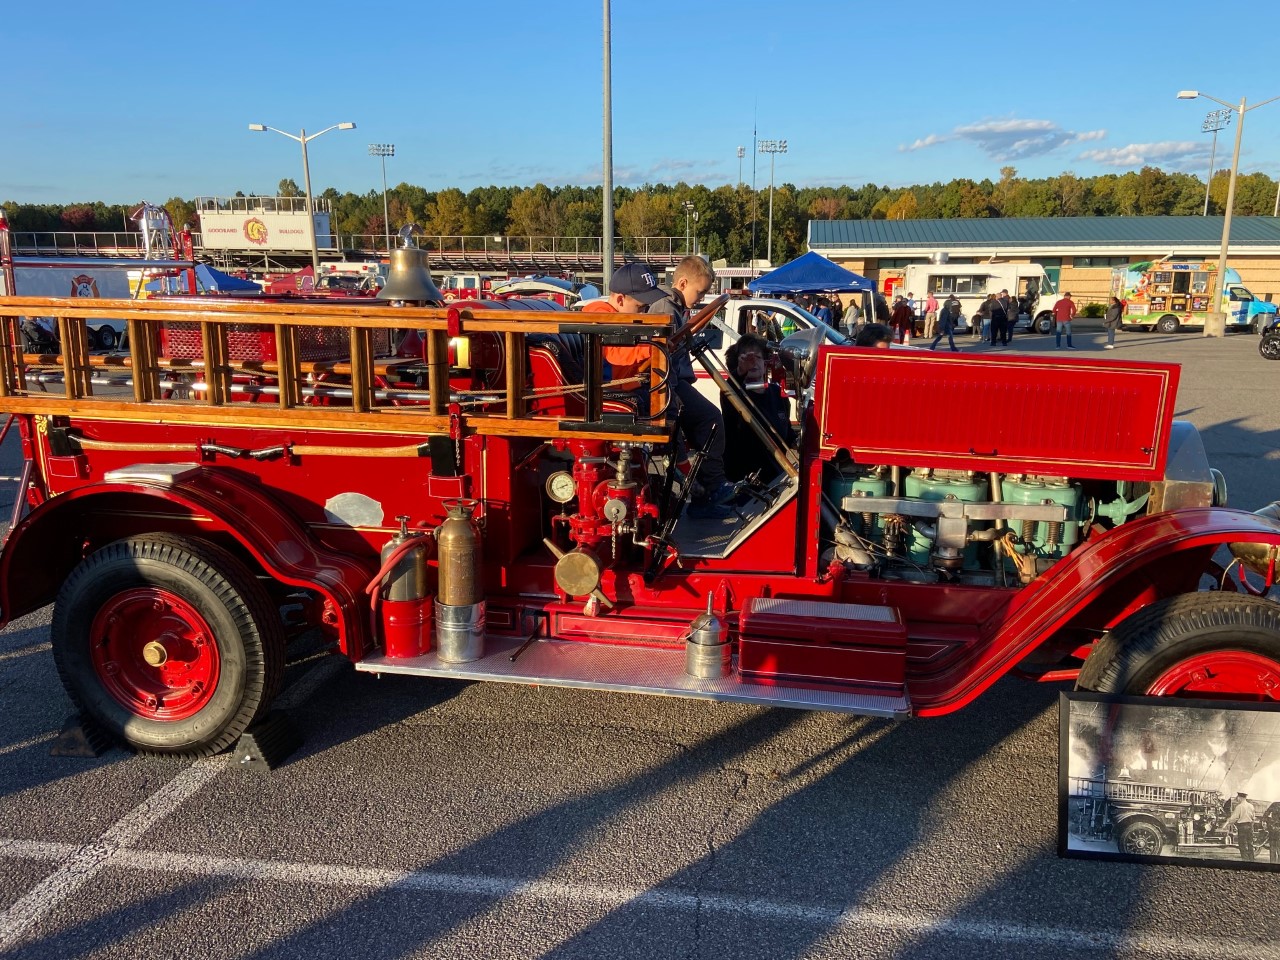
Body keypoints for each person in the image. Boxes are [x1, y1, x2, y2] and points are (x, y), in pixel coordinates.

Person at [647, 255, 737, 520]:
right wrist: (671, 397)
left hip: (674, 382)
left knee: (708, 420)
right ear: (683, 282)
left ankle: (706, 492)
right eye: (700, 292)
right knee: (710, 419)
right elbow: (659, 358)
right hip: (666, 385)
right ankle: (712, 486)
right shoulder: (666, 306)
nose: (701, 298)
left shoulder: (675, 306)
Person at [721, 333, 794, 482]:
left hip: (776, 479)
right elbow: (728, 389)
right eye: (746, 359)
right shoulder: (734, 395)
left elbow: (788, 436)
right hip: (743, 482)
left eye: (757, 358)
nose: (752, 363)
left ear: (765, 363)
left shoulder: (777, 394)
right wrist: (741, 372)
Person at [1224, 791, 1258, 861]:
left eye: (1238, 797)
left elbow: (1234, 818)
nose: (1237, 799)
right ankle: (1252, 859)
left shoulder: (1239, 807)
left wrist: (1228, 822)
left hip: (1242, 827)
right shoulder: (1251, 806)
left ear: (1240, 798)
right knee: (1250, 843)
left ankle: (1245, 860)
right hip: (1250, 826)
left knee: (1242, 844)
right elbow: (1253, 818)